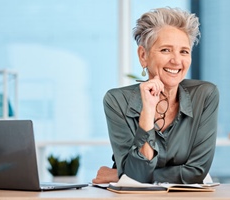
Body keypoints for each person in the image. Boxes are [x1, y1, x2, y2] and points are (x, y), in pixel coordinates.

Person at [92, 7, 219, 184]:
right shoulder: (117, 101)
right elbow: (137, 175)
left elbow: (196, 172)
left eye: (184, 51)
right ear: (143, 56)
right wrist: (147, 114)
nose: (176, 60)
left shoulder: (205, 95)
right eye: (166, 50)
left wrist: (120, 175)